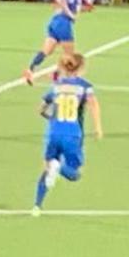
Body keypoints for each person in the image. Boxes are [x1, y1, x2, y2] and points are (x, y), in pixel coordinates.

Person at [32, 52, 103, 216]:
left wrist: (51, 117)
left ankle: (37, 205)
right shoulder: (85, 86)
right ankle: (58, 168)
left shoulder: (57, 86)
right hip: (72, 134)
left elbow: (41, 109)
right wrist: (98, 127)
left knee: (47, 168)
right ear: (81, 68)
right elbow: (93, 105)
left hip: (54, 132)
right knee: (74, 174)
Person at [24, 0, 83, 85]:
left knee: (46, 50)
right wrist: (70, 14)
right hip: (63, 23)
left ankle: (30, 69)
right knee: (70, 54)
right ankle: (62, 76)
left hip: (54, 21)